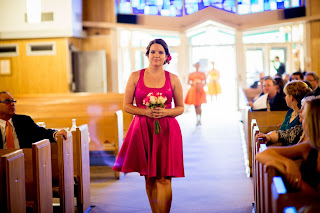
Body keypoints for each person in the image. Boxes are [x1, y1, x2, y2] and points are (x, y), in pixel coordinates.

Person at [112, 39, 184, 213]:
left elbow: (181, 108)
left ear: (167, 56)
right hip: (143, 129)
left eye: (160, 52)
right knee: (150, 178)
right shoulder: (135, 76)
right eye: (153, 52)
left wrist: (165, 112)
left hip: (167, 131)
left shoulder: (173, 79)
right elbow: (127, 106)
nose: (156, 55)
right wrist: (145, 112)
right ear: (147, 54)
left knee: (165, 178)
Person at [256, 96, 320, 192]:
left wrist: (296, 180)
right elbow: (261, 154)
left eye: (304, 116)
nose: (300, 115)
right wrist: (287, 163)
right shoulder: (309, 146)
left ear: (312, 122)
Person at [0, 91, 67, 149]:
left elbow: (40, 133)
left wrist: (55, 134)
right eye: (7, 101)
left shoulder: (24, 121)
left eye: (13, 101)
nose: (12, 104)